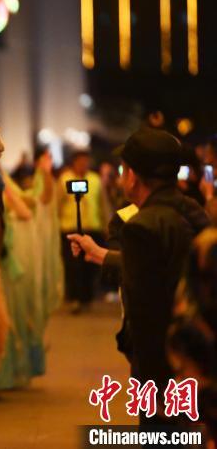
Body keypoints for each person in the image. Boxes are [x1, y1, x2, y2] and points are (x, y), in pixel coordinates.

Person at [69, 128, 208, 431]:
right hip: (200, 359)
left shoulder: (140, 226)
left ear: (132, 176)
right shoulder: (195, 212)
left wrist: (152, 386)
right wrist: (100, 255)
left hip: (164, 367)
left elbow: (145, 317)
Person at [58, 149, 104, 313]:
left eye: (86, 160)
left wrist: (105, 225)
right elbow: (58, 204)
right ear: (74, 162)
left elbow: (102, 204)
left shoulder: (96, 179)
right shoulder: (65, 178)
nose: (84, 164)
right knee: (73, 266)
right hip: (70, 229)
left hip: (93, 227)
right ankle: (75, 298)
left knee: (90, 266)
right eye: (80, 161)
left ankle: (87, 298)